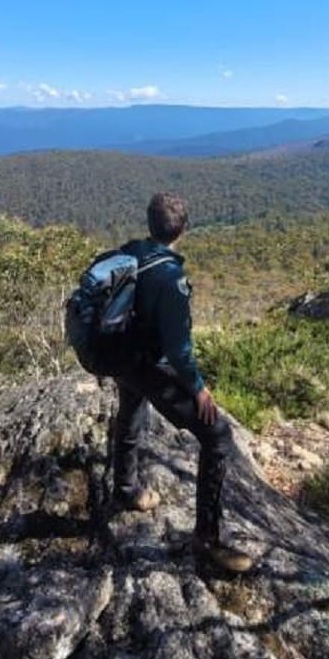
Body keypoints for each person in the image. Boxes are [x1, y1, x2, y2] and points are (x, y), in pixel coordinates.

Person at [111, 192, 253, 574]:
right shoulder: (170, 278)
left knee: (130, 413)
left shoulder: (131, 253)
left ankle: (125, 490)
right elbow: (178, 350)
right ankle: (208, 538)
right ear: (183, 230)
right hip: (149, 365)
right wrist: (199, 388)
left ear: (149, 224)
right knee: (218, 437)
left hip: (121, 356)